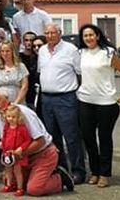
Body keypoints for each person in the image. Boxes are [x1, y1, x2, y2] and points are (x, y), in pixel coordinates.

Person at [77, 24, 120, 188]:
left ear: (98, 36)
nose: (88, 38)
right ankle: (94, 172)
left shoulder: (108, 53)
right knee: (88, 138)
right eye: (85, 36)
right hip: (85, 100)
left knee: (104, 138)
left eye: (91, 35)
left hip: (106, 103)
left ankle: (104, 174)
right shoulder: (80, 53)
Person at [0, 89, 74, 195]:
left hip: (42, 153)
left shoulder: (23, 112)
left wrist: (19, 155)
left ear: (7, 99)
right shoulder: (0, 118)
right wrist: (8, 163)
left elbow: (40, 141)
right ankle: (36, 176)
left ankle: (60, 178)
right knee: (10, 182)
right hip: (24, 157)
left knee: (34, 189)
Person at [38, 23, 84, 184]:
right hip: (47, 98)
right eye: (47, 33)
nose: (50, 36)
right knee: (52, 136)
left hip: (66, 98)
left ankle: (78, 170)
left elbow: (80, 73)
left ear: (60, 33)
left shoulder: (70, 50)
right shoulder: (42, 50)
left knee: (71, 136)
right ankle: (60, 168)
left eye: (53, 33)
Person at [0, 41, 29, 143]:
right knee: (2, 129)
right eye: (2, 51)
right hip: (0, 102)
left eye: (7, 51)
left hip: (16, 99)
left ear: (12, 52)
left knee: (17, 129)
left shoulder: (20, 66)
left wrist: (15, 104)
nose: (5, 53)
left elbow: (24, 86)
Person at [0, 104, 32, 196]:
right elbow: (4, 137)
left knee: (18, 171)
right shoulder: (6, 127)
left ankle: (20, 187)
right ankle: (9, 185)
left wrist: (21, 148)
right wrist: (3, 146)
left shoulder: (22, 128)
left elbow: (27, 140)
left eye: (13, 117)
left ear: (18, 117)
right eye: (9, 116)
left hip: (17, 154)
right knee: (8, 170)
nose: (11, 119)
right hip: (7, 153)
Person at [19, 31, 39, 107]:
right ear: (23, 42)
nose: (29, 43)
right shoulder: (18, 57)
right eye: (26, 40)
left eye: (31, 40)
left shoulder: (39, 57)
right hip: (22, 92)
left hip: (35, 92)